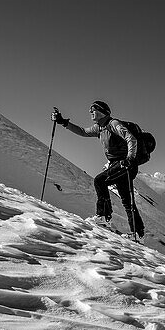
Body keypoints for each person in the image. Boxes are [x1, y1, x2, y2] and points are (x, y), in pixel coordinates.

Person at [51, 101, 145, 238]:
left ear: (102, 112)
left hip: (125, 163)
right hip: (118, 164)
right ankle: (138, 235)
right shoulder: (99, 127)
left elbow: (130, 138)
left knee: (100, 181)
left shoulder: (113, 124)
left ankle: (103, 217)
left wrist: (130, 158)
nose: (90, 112)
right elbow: (83, 131)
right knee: (127, 200)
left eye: (93, 109)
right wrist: (63, 122)